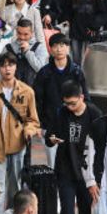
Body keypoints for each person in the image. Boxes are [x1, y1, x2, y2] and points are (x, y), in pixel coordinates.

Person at [0, 51, 41, 211]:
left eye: (11, 65)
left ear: (16, 67)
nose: (7, 69)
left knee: (16, 189)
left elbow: (33, 120)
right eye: (3, 66)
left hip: (18, 147)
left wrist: (28, 129)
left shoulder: (27, 92)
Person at [48, 81, 100, 214]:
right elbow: (50, 134)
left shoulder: (94, 113)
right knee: (68, 209)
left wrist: (95, 177)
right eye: (66, 104)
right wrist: (52, 139)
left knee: (85, 208)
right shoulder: (62, 113)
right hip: (65, 168)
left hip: (86, 170)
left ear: (81, 98)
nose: (69, 107)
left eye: (73, 103)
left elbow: (101, 144)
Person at [32, 34, 89, 169]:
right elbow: (37, 100)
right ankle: (55, 189)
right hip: (50, 124)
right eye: (55, 46)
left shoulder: (76, 72)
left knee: (74, 161)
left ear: (68, 48)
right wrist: (38, 123)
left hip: (74, 124)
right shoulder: (44, 73)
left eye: (62, 46)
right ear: (50, 49)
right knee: (53, 163)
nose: (59, 49)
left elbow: (85, 97)